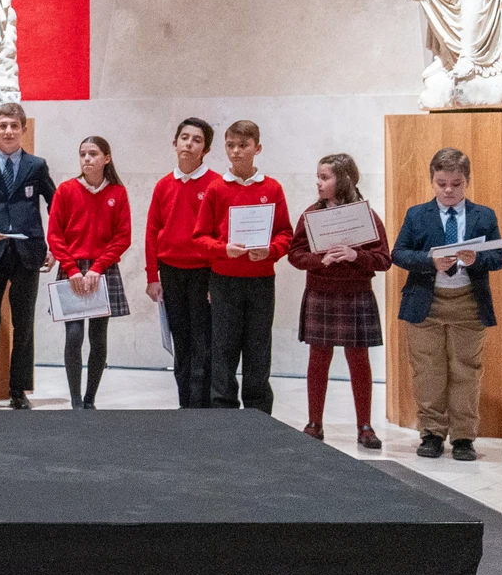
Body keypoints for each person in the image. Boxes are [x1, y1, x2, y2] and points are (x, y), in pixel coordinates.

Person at [392, 148, 502, 459]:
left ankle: (464, 438)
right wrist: (430, 260)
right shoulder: (417, 214)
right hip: (425, 305)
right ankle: (431, 434)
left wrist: (476, 258)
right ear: (432, 180)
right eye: (441, 183)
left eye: (456, 184)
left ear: (466, 181)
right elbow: (398, 254)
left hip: (468, 303)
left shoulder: (484, 215)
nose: (448, 190)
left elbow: (500, 257)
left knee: (466, 371)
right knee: (428, 371)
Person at [286, 154, 390, 447]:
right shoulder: (310, 214)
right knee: (318, 359)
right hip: (322, 292)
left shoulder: (366, 216)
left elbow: (384, 259)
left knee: (359, 360)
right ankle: (314, 422)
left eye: (324, 177)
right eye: (318, 177)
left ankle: (365, 427)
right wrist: (320, 260)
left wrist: (358, 255)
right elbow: (295, 255)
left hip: (356, 293)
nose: (318, 183)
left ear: (343, 180)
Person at [191, 120, 291, 413]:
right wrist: (224, 250)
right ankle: (223, 409)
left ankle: (259, 411)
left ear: (257, 148)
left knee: (258, 347)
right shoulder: (216, 189)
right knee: (223, 348)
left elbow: (286, 233)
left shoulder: (272, 188)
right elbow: (200, 238)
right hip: (224, 280)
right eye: (230, 145)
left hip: (261, 281)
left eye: (243, 146)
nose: (236, 152)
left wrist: (271, 250)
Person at [0, 102, 55, 409]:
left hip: (27, 254)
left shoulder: (37, 166)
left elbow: (57, 206)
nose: (8, 132)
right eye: (2, 126)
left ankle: (19, 391)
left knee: (24, 324)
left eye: (14, 126)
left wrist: (54, 246)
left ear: (23, 129)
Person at [47, 136, 130, 409]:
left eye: (93, 154)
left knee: (98, 337)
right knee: (74, 336)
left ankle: (90, 398)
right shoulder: (66, 190)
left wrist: (97, 267)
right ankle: (75, 401)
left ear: (107, 158)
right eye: (82, 154)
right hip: (72, 270)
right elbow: (55, 234)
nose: (86, 159)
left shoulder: (117, 193)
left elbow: (122, 237)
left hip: (102, 270)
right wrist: (71, 269)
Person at [145, 118, 220, 408]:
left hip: (204, 273)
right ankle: (185, 403)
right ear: (175, 143)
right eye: (184, 138)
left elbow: (219, 233)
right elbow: (152, 232)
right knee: (181, 340)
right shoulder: (163, 185)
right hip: (172, 273)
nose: (189, 143)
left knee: (204, 341)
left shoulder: (215, 184)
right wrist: (153, 276)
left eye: (197, 140)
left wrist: (216, 278)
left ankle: (203, 405)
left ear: (206, 149)